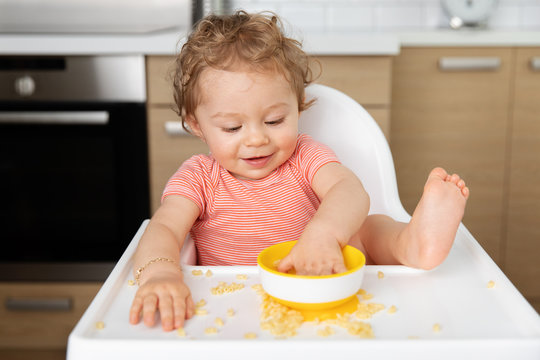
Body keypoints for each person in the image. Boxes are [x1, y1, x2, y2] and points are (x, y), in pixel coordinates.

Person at [129, 10, 470, 332]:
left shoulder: (304, 155)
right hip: (234, 307)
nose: (257, 139)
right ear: (197, 125)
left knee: (365, 227)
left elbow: (349, 190)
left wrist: (325, 234)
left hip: (323, 287)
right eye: (232, 128)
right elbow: (164, 229)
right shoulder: (200, 177)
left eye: (275, 121)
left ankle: (412, 244)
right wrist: (160, 273)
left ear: (298, 105)